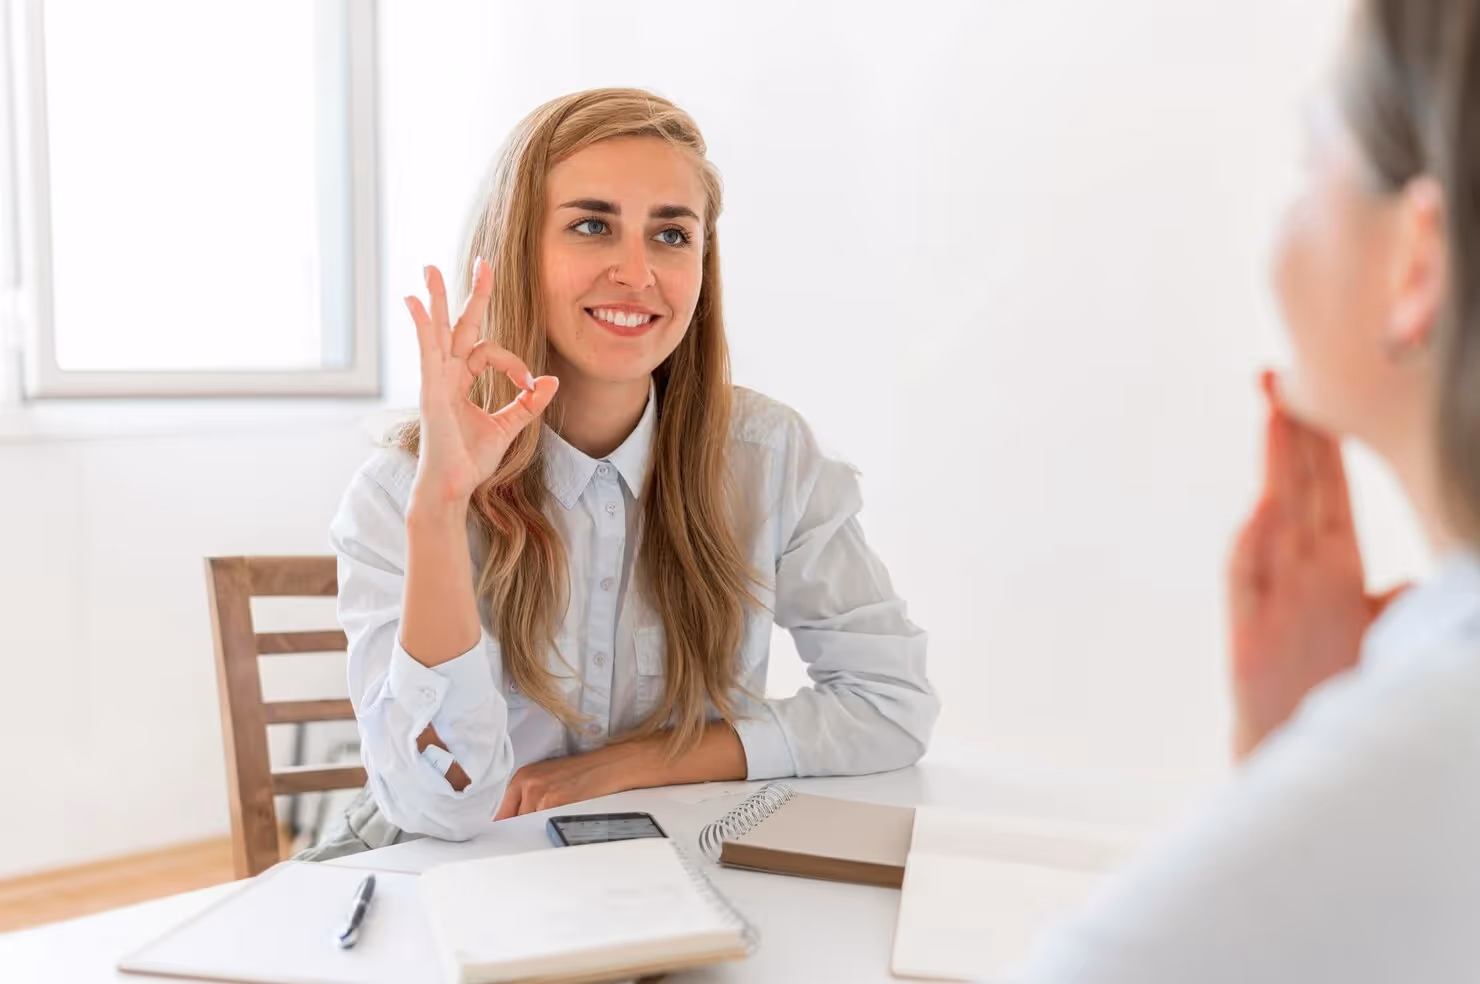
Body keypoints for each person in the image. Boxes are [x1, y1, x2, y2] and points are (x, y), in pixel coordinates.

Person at [316, 88, 937, 851]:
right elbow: (441, 806)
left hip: (670, 871)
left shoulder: (767, 457)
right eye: (591, 225)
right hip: (443, 881)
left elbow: (890, 706)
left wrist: (635, 765)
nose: (637, 273)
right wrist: (442, 506)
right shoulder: (397, 495)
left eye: (672, 235)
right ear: (513, 249)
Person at [1016, 1, 1480, 980]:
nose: (1277, 227)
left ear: (1417, 264)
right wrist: (1310, 746)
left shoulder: (1441, 732)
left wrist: (1332, 774)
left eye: (1311, 159)